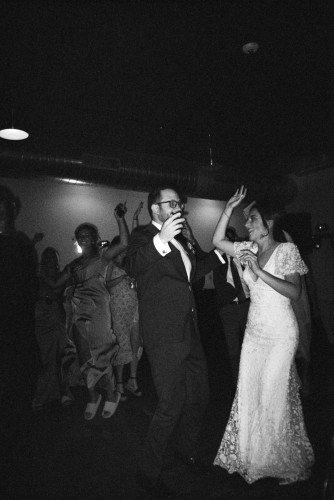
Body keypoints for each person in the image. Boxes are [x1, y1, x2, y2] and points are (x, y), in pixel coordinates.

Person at [126, 186, 225, 497]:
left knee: (200, 395)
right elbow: (132, 265)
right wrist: (161, 239)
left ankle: (186, 450)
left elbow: (192, 274)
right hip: (165, 335)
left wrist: (224, 253)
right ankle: (147, 470)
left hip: (190, 331)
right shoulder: (144, 237)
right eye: (172, 203)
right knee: (170, 404)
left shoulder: (181, 241)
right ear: (156, 209)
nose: (179, 206)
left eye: (179, 203)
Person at [212, 186, 314, 485]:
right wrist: (228, 208)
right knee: (248, 391)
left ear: (268, 223)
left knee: (272, 395)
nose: (247, 225)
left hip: (281, 333)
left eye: (252, 219)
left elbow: (294, 291)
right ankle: (255, 458)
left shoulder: (286, 250)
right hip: (255, 333)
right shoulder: (248, 249)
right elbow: (217, 241)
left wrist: (259, 270)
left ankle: (284, 462)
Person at [41, 208, 128, 420]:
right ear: (77, 241)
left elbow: (124, 243)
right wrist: (36, 267)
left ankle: (111, 393)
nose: (84, 239)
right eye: (80, 236)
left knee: (103, 350)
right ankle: (92, 397)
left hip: (98, 310)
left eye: (88, 235)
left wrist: (119, 218)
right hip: (78, 311)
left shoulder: (103, 256)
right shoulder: (73, 266)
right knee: (83, 354)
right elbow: (54, 285)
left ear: (95, 238)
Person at [106, 202, 143, 401]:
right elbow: (106, 286)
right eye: (120, 249)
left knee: (136, 343)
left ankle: (133, 379)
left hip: (134, 307)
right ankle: (119, 383)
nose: (123, 253)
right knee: (121, 345)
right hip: (118, 310)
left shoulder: (130, 264)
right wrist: (122, 279)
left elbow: (135, 240)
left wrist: (135, 217)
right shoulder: (110, 265)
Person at [32, 247, 74, 410]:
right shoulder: (35, 278)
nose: (50, 261)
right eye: (46, 258)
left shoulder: (60, 276)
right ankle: (43, 394)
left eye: (53, 258)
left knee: (62, 357)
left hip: (57, 318)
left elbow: (59, 292)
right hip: (41, 320)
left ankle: (65, 392)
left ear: (57, 261)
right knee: (45, 359)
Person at [213, 226, 250, 388]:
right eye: (224, 241)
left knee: (251, 345)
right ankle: (238, 382)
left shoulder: (243, 257)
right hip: (228, 308)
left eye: (230, 240)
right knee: (233, 348)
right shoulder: (217, 262)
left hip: (248, 305)